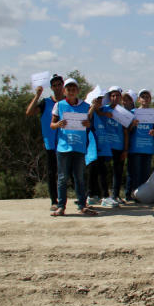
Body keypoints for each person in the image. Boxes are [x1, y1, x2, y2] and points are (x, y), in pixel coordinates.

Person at [49, 78, 97, 216]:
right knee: (62, 178)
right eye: (68, 89)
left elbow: (89, 125)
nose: (71, 91)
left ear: (78, 91)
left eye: (73, 89)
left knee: (80, 178)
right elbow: (52, 125)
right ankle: (61, 207)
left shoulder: (85, 106)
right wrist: (58, 124)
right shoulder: (59, 105)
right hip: (63, 147)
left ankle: (82, 205)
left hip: (80, 147)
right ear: (64, 91)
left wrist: (88, 125)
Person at [25, 73, 64, 210]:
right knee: (52, 172)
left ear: (63, 85)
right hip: (51, 144)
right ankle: (54, 201)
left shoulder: (68, 102)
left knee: (68, 173)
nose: (57, 87)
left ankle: (76, 200)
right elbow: (29, 112)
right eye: (55, 85)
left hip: (67, 143)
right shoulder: (46, 103)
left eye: (60, 84)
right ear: (51, 87)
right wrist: (37, 95)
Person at [94, 86, 129, 204]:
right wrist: (104, 115)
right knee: (103, 171)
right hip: (105, 145)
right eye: (112, 96)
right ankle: (104, 195)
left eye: (117, 95)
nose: (115, 98)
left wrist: (125, 149)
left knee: (118, 171)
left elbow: (125, 131)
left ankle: (116, 195)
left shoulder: (123, 112)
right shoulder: (104, 109)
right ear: (109, 97)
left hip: (118, 146)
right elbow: (95, 112)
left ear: (120, 97)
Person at [127, 89, 154, 198]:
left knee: (145, 174)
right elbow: (127, 130)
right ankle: (133, 195)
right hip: (136, 147)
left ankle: (142, 196)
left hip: (147, 147)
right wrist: (133, 125)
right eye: (143, 97)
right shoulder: (133, 112)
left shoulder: (152, 113)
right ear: (139, 100)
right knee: (135, 173)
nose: (145, 99)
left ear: (150, 99)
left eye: (147, 97)